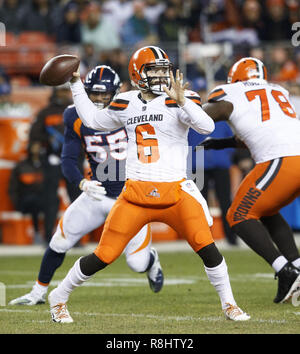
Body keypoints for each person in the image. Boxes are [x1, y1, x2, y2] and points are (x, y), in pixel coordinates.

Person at [48, 46, 250, 323]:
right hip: (135, 196)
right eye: (153, 70)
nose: (160, 75)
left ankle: (230, 304)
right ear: (137, 73)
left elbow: (207, 127)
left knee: (207, 247)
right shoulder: (125, 102)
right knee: (103, 255)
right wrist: (75, 84)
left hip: (175, 193)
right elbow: (93, 119)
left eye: (163, 69)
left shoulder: (180, 98)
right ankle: (58, 296)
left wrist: (183, 102)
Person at [9, 65, 163, 307]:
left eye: (105, 94)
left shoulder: (131, 110)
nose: (100, 99)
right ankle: (37, 293)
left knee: (137, 263)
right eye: (94, 94)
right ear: (86, 92)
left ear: (117, 92)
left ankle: (151, 261)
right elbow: (69, 159)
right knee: (59, 240)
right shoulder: (74, 115)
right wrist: (81, 183)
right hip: (97, 192)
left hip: (131, 197)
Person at [199, 57, 300, 304]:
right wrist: (221, 143)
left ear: (234, 78)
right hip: (291, 155)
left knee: (238, 215)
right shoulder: (277, 90)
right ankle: (297, 267)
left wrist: (183, 110)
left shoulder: (230, 92)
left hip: (282, 159)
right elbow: (263, 128)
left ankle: (285, 271)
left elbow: (207, 116)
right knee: (266, 210)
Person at [29, 83, 83, 244]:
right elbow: (34, 136)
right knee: (50, 200)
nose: (65, 94)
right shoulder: (46, 113)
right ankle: (48, 237)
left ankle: (76, 238)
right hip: (52, 160)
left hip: (73, 160)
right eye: (62, 90)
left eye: (67, 90)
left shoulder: (77, 110)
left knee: (77, 200)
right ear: (55, 91)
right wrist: (48, 141)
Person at [188, 122, 237, 246]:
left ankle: (232, 238)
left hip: (218, 162)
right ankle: (202, 239)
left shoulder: (221, 121)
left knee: (225, 201)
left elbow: (231, 140)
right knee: (199, 204)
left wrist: (224, 156)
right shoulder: (190, 117)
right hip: (198, 161)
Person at [8, 142, 44, 243]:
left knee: (51, 201)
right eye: (34, 147)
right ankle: (37, 233)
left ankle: (52, 235)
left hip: (42, 200)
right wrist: (16, 203)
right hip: (25, 201)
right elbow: (12, 188)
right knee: (33, 200)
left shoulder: (45, 166)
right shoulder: (21, 166)